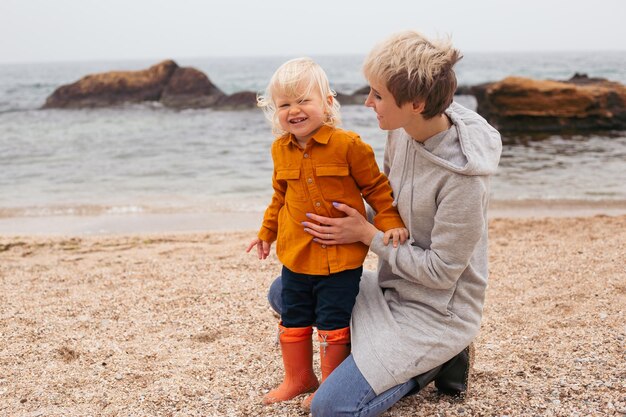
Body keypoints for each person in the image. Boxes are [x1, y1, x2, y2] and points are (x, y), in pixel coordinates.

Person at [267, 31, 502, 416]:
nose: (367, 101)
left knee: (331, 409)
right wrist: (334, 218)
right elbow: (388, 204)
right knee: (287, 292)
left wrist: (365, 234)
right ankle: (376, 353)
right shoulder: (404, 130)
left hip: (434, 313)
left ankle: (435, 361)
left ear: (416, 103)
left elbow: (442, 272)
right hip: (393, 288)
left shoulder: (464, 180)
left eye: (377, 94)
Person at [246, 57, 409, 408]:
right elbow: (279, 196)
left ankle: (330, 385)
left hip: (340, 261)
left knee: (333, 321)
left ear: (328, 103)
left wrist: (390, 221)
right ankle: (299, 377)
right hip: (296, 254)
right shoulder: (279, 150)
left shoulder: (349, 145)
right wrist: (265, 233)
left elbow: (377, 189)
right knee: (294, 318)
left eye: (304, 100)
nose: (294, 110)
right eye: (284, 104)